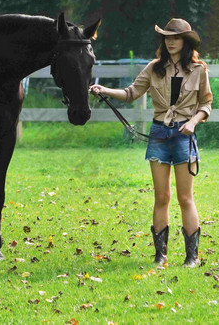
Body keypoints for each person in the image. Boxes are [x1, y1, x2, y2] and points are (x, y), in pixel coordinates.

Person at [89, 18, 212, 267]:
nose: (170, 41)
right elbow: (131, 92)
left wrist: (193, 122)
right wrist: (106, 90)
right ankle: (161, 255)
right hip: (158, 135)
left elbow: (206, 104)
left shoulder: (199, 70)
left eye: (175, 37)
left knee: (185, 198)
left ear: (185, 41)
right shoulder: (154, 68)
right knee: (161, 197)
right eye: (167, 37)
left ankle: (192, 257)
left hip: (184, 137)